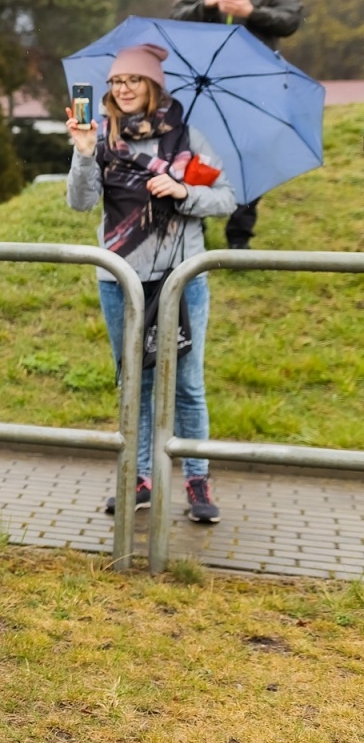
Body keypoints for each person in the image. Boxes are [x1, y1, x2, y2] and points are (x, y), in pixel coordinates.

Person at [66, 43, 237, 525]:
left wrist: (184, 192)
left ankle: (197, 478)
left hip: (181, 279)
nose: (122, 89)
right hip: (119, 279)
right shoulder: (99, 138)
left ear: (152, 86)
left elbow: (226, 199)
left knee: (186, 382)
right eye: (116, 82)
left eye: (132, 81)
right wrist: (82, 153)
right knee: (134, 381)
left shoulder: (188, 138)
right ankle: (139, 477)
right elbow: (80, 205)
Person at [170, 0, 305, 250]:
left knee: (252, 153)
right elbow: (177, 16)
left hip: (257, 78)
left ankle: (239, 235)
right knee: (197, 149)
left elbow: (290, 21)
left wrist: (251, 12)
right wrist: (207, 4)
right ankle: (195, 221)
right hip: (207, 77)